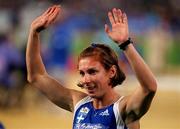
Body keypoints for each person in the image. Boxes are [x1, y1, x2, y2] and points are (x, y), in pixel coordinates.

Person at [26, 5, 157, 129]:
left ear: (111, 71)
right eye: (82, 73)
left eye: (92, 72)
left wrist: (126, 44)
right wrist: (34, 33)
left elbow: (149, 88)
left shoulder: (124, 108)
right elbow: (36, 77)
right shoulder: (78, 103)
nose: (86, 80)